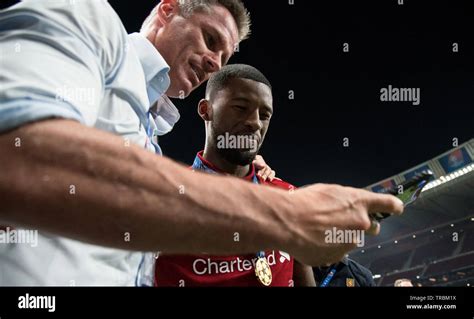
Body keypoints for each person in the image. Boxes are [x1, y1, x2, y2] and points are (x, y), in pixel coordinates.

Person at [0, 0, 403, 286]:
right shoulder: (86, 16)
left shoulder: (148, 133)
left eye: (224, 56)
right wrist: (287, 213)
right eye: (210, 39)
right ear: (167, 8)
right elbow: (18, 156)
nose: (215, 61)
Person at [155, 64, 316, 286]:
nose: (255, 123)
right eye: (240, 107)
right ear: (205, 110)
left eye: (265, 115)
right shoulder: (163, 198)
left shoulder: (289, 198)